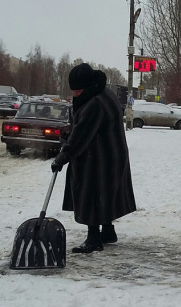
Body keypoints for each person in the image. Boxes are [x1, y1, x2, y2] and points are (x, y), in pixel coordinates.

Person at [51, 63, 137, 253]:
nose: (75, 95)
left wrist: (62, 157)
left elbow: (82, 135)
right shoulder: (104, 94)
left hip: (96, 159)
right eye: (73, 91)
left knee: (91, 195)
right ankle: (107, 231)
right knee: (105, 194)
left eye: (78, 90)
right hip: (111, 155)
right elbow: (85, 128)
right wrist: (69, 136)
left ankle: (93, 238)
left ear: (88, 86)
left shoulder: (94, 103)